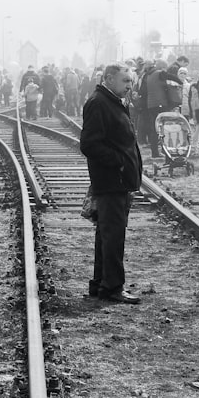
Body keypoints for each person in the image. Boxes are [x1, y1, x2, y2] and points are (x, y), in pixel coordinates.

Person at [80, 63, 143, 304]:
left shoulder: (112, 101)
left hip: (116, 180)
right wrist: (119, 163)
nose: (130, 85)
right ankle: (112, 287)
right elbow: (89, 144)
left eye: (130, 81)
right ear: (109, 79)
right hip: (111, 180)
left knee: (107, 234)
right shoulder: (99, 103)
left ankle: (101, 284)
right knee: (113, 235)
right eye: (125, 81)